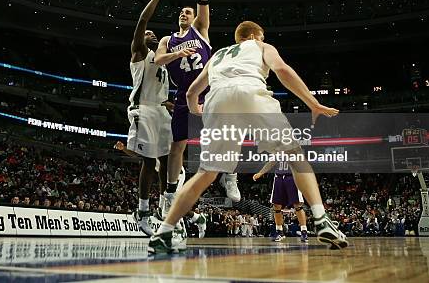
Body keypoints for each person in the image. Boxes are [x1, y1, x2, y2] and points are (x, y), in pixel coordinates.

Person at [149, 21, 348, 254]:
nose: (262, 40)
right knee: (295, 156)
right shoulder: (262, 47)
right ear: (254, 35)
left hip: (217, 100)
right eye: (261, 37)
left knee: (206, 174)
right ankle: (321, 219)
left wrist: (197, 111)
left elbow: (193, 91)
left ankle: (163, 232)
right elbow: (282, 70)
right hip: (250, 92)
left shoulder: (219, 55)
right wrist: (312, 103)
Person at [154, 0, 240, 217]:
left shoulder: (201, 30)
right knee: (177, 144)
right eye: (181, 11)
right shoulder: (168, 41)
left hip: (209, 89)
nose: (184, 13)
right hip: (183, 93)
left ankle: (229, 175)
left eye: (188, 12)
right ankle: (169, 192)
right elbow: (158, 61)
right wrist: (177, 52)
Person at [126, 0, 171, 236]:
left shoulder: (161, 61)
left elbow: (163, 96)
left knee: (168, 160)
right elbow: (142, 20)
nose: (149, 32)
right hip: (142, 109)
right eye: (146, 33)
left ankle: (164, 204)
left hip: (160, 111)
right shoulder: (139, 53)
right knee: (149, 159)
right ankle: (142, 209)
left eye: (152, 33)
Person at [254, 161, 309, 243]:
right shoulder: (277, 149)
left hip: (292, 176)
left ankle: (304, 231)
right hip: (278, 177)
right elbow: (272, 162)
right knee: (276, 205)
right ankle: (279, 231)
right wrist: (261, 173)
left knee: (297, 205)